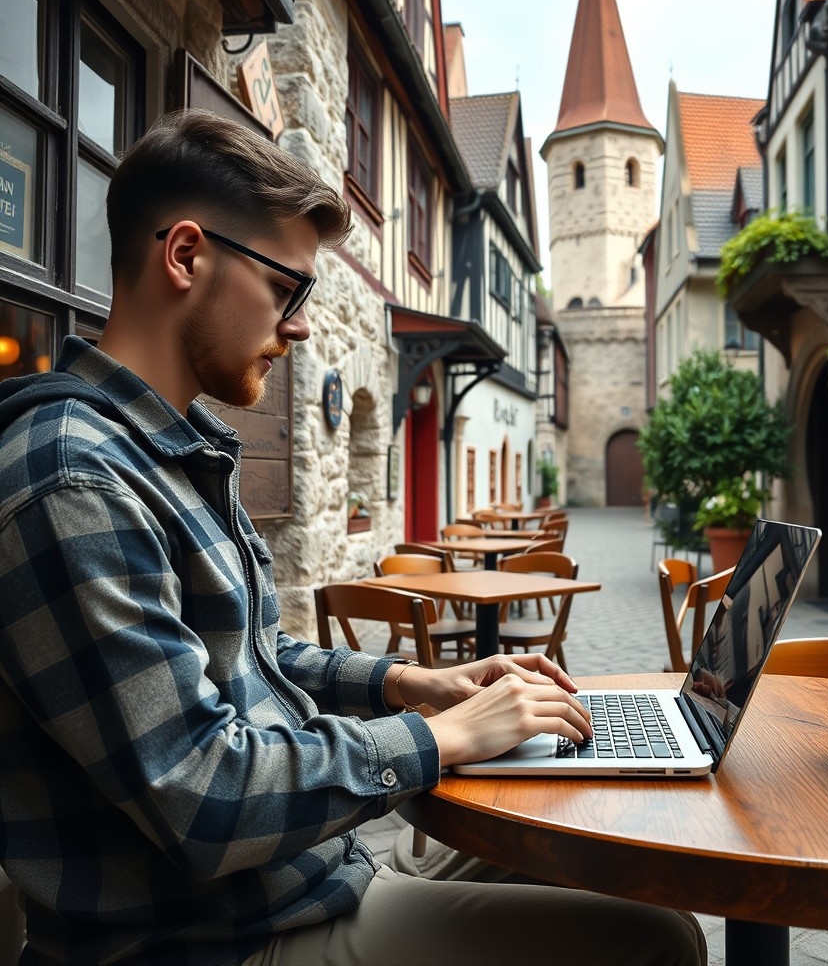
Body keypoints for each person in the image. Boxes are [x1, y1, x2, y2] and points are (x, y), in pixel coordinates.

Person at [0, 109, 707, 966]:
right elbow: (202, 794)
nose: (300, 325)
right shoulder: (75, 480)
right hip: (213, 938)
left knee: (606, 834)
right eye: (287, 289)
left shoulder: (171, 450)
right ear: (185, 256)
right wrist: (443, 738)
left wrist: (416, 684)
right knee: (657, 942)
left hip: (302, 879)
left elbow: (255, 654)